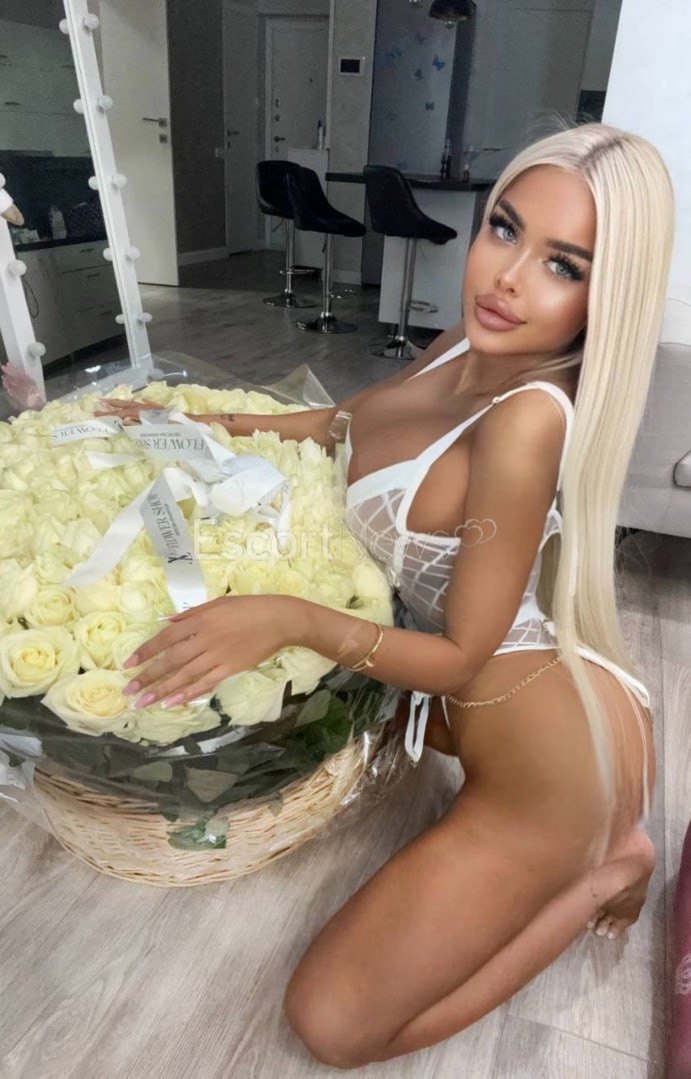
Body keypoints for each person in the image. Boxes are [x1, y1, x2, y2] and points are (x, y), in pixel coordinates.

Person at [99, 121, 674, 1067]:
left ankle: (609, 866)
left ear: (603, 296)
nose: (506, 278)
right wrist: (191, 420)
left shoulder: (526, 418)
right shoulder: (467, 343)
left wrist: (290, 619)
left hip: (550, 764)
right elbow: (342, 422)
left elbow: (460, 656)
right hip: (483, 710)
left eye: (562, 266)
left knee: (332, 1022)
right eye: (503, 228)